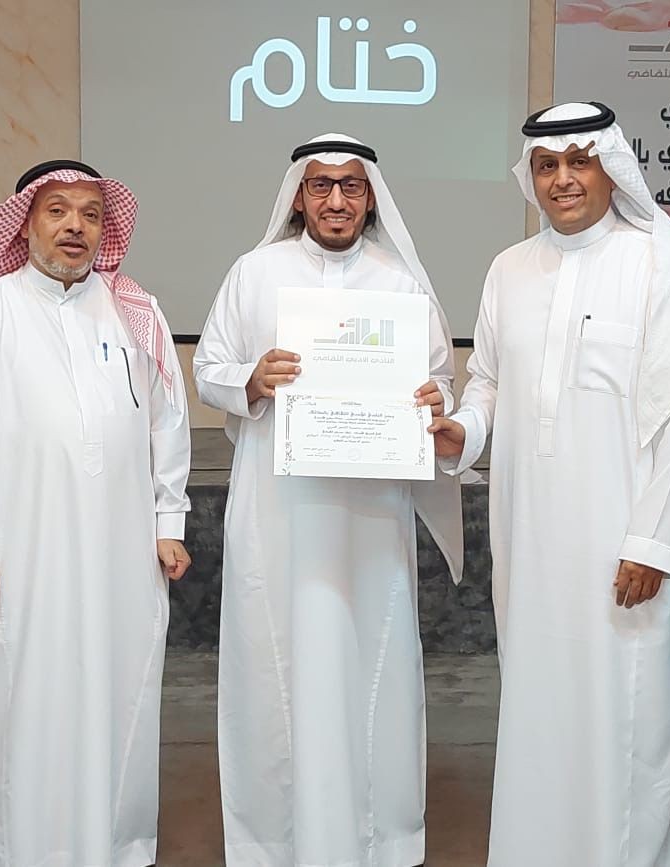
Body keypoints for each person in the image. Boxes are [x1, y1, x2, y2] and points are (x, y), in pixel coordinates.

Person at [430, 102, 670, 866]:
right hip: (533, 543)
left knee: (631, 726)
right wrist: (463, 430)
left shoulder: (663, 264)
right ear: (529, 176)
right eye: (546, 165)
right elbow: (489, 380)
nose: (562, 179)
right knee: (541, 716)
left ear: (610, 166)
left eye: (578, 161)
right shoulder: (509, 269)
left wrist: (652, 542)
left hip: (626, 544)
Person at [193, 134, 463, 867]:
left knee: (369, 657)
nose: (336, 200)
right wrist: (251, 378)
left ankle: (380, 840)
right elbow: (209, 368)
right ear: (298, 195)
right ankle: (272, 842)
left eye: (351, 186)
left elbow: (441, 383)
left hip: (370, 515)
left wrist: (433, 399)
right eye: (321, 185)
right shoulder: (254, 274)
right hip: (278, 510)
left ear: (370, 197)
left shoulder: (401, 285)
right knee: (275, 660)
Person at [0, 159, 192, 867]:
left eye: (91, 213)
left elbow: (168, 423)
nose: (76, 226)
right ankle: (21, 847)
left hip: (122, 550)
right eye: (57, 211)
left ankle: (116, 845)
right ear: (24, 223)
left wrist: (169, 523)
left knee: (119, 690)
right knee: (24, 697)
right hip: (23, 550)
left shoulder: (135, 310)